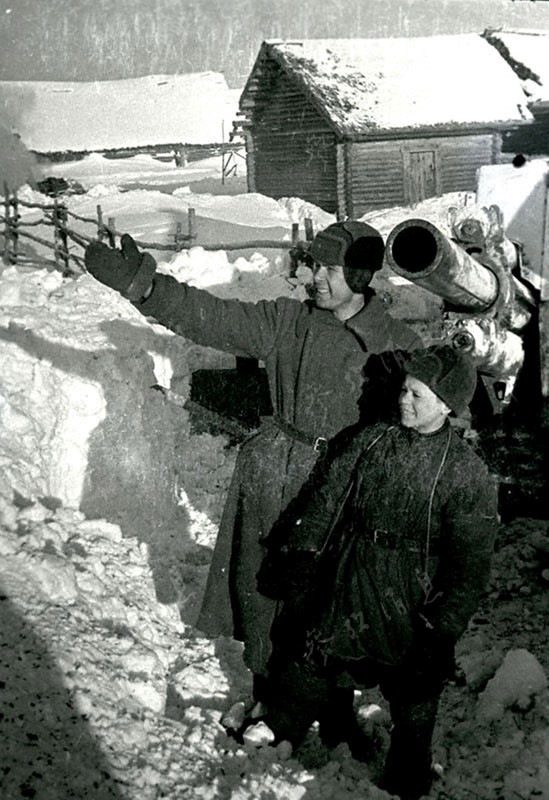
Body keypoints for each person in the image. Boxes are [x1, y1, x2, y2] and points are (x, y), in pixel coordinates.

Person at [83, 221, 421, 725]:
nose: (315, 278)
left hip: (347, 486)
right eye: (313, 266)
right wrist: (146, 287)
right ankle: (267, 695)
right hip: (277, 473)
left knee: (337, 595)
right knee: (264, 592)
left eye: (329, 270)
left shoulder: (396, 343)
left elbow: (431, 415)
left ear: (360, 274)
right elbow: (210, 317)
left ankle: (336, 710)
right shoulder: (288, 322)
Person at [257, 345, 499, 800]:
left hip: (412, 592)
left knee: (415, 689)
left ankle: (408, 776)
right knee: (315, 654)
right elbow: (327, 498)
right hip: (353, 571)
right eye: (404, 390)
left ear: (447, 406)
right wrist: (303, 552)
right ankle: (276, 733)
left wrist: (443, 627)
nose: (403, 400)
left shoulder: (466, 474)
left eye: (417, 396)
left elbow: (468, 565)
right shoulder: (372, 440)